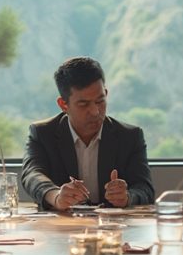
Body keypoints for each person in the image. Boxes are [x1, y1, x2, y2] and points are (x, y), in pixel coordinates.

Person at [21, 57, 154, 210]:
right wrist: (56, 196)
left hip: (113, 229)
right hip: (63, 228)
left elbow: (145, 189)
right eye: (83, 104)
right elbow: (32, 175)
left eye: (100, 101)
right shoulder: (43, 133)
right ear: (63, 104)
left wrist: (127, 197)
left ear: (106, 93)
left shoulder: (130, 136)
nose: (95, 111)